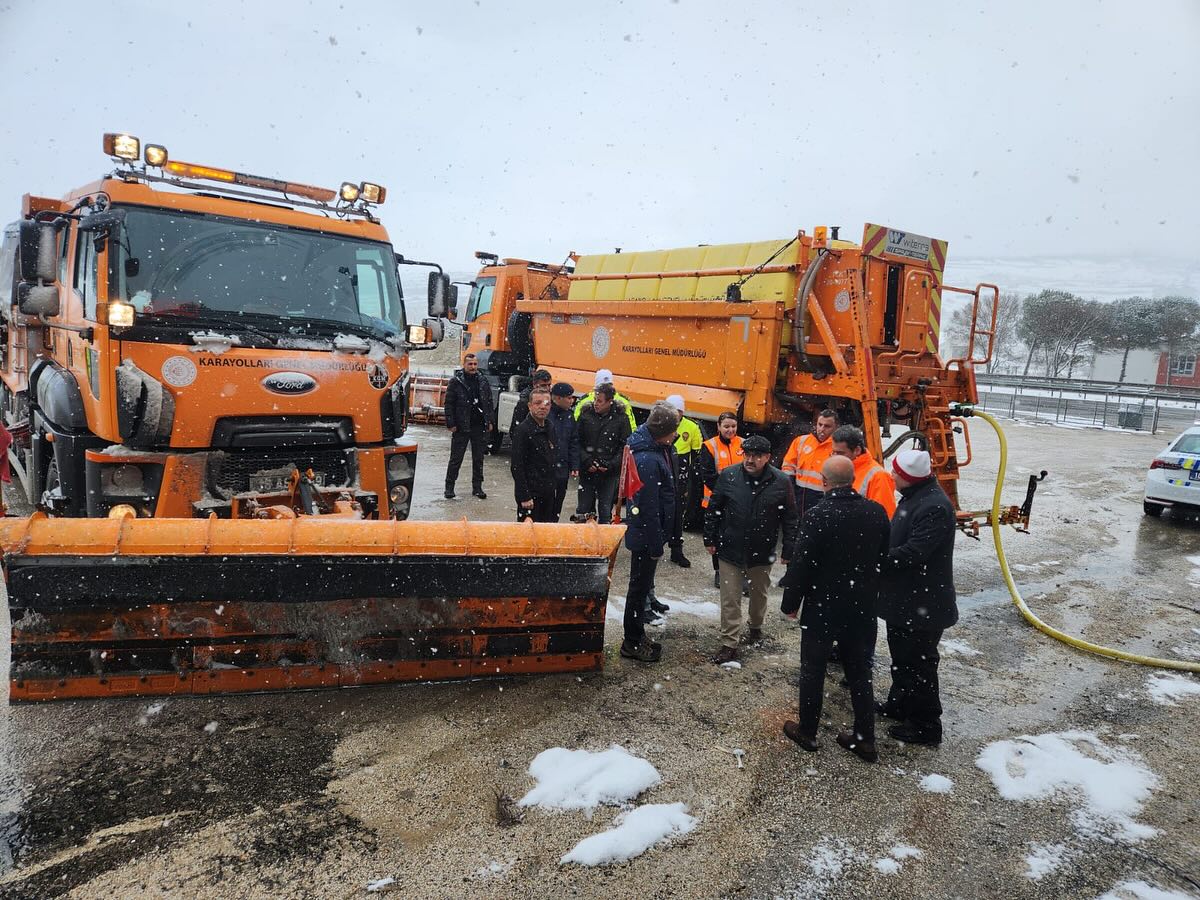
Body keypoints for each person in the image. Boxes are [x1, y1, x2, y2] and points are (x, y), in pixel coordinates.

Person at [779, 455, 892, 762]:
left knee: (813, 671)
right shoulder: (876, 512)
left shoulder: (818, 515)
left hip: (823, 607)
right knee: (859, 672)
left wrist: (791, 604)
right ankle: (865, 738)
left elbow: (802, 565)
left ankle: (808, 730)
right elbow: (884, 556)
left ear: (824, 482)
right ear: (854, 479)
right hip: (862, 607)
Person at [878, 448, 958, 745]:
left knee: (919, 664)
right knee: (902, 658)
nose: (892, 476)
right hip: (908, 601)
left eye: (896, 473)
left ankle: (926, 724)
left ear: (909, 478)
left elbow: (914, 553)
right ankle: (899, 706)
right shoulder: (916, 498)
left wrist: (876, 560)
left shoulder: (934, 506)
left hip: (923, 604)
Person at [703, 434, 798, 665]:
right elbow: (714, 507)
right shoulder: (729, 476)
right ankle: (729, 643)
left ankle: (755, 626)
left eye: (757, 455)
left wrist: (789, 549)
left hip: (761, 550)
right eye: (747, 454)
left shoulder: (781, 481)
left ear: (767, 457)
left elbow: (790, 518)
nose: (750, 459)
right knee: (730, 598)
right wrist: (709, 538)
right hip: (730, 548)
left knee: (759, 594)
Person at [620, 403, 679, 663]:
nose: (676, 435)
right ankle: (631, 642)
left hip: (646, 534)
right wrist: (656, 544)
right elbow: (648, 507)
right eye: (673, 430)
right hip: (646, 537)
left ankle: (635, 635)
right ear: (662, 431)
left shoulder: (653, 450)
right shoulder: (648, 458)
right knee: (638, 589)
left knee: (640, 588)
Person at [574, 383, 632, 523]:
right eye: (595, 400)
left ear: (610, 401)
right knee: (584, 509)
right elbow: (576, 441)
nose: (596, 404)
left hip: (608, 473)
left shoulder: (621, 419)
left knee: (605, 509)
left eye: (600, 401)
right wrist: (586, 460)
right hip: (588, 470)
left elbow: (624, 446)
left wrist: (611, 465)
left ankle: (603, 538)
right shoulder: (586, 415)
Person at [699, 412, 744, 587]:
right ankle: (719, 571)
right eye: (726, 426)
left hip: (739, 502)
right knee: (717, 539)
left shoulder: (743, 444)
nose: (730, 430)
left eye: (733, 426)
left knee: (738, 538)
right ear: (718, 427)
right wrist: (726, 493)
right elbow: (708, 475)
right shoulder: (709, 446)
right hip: (716, 500)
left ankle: (739, 572)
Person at [444, 352, 493, 500]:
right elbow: (449, 403)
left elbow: (488, 402)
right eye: (470, 364)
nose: (473, 367)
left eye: (475, 364)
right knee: (456, 459)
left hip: (478, 426)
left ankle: (477, 488)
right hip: (461, 426)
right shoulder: (456, 381)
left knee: (478, 459)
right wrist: (451, 423)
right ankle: (449, 487)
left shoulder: (483, 381)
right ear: (464, 365)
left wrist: (490, 421)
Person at [509, 390, 557, 522]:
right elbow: (517, 466)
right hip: (531, 494)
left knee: (546, 532)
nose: (543, 407)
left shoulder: (550, 427)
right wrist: (524, 495)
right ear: (530, 406)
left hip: (548, 492)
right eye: (538, 403)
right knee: (528, 534)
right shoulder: (523, 431)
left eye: (546, 404)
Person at [829, 424, 897, 518]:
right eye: (833, 452)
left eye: (840, 453)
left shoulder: (879, 476)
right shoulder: (840, 468)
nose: (835, 457)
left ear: (857, 450)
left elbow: (884, 517)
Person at [665, 394, 702, 568]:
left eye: (678, 411)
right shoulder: (660, 423)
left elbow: (696, 452)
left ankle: (676, 550)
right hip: (664, 467)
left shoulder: (692, 427)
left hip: (680, 472)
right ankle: (653, 547)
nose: (675, 414)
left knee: (678, 515)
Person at [781, 409, 839, 517]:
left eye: (827, 426)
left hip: (823, 499)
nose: (821, 429)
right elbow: (788, 466)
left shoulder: (839, 448)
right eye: (820, 424)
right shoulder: (801, 441)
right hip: (798, 496)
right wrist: (790, 489)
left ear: (835, 428)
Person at [548, 382, 580, 521]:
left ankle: (553, 523)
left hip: (562, 467)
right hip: (546, 467)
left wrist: (574, 465)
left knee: (558, 500)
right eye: (568, 397)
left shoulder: (569, 416)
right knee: (545, 500)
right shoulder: (546, 414)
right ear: (557, 398)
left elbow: (574, 441)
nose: (571, 401)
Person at [510, 368, 553, 433]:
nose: (547, 388)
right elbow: (516, 428)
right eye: (543, 385)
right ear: (534, 385)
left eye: (549, 385)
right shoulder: (525, 401)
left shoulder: (551, 398)